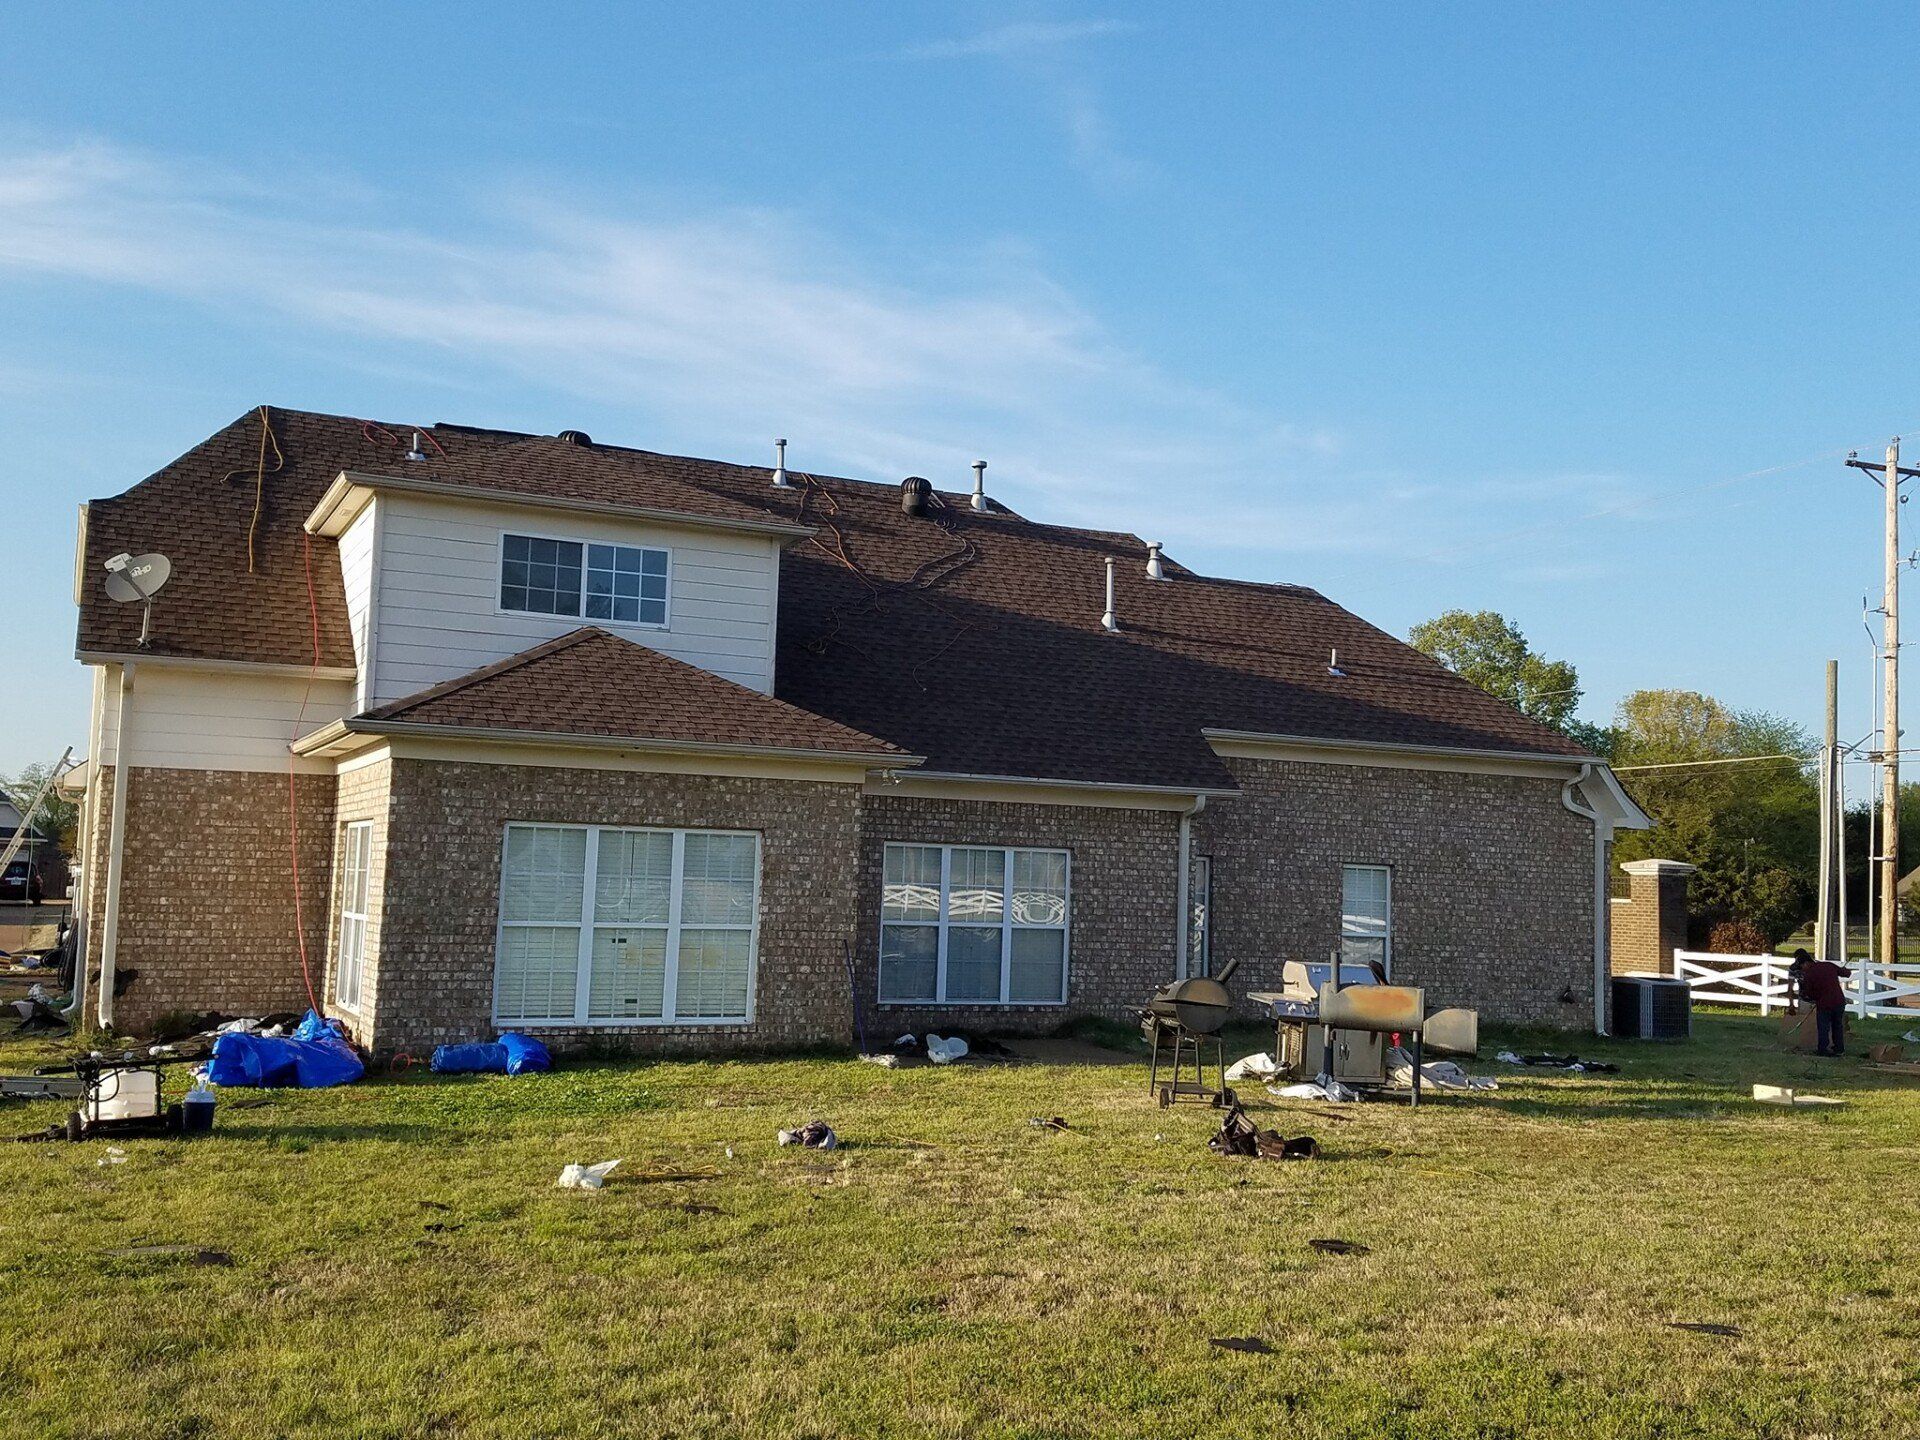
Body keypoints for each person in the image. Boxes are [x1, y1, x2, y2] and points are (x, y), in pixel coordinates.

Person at [1791, 947, 1852, 1057]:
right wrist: (1844, 970)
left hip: (1824, 1004)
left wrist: (1815, 999)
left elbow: (1809, 992)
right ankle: (1839, 1049)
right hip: (1839, 1001)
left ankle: (1823, 1049)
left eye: (1801, 966)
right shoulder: (1828, 965)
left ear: (1806, 963)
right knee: (1837, 1025)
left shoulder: (1809, 974)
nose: (1802, 969)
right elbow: (1847, 974)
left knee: (1823, 1026)